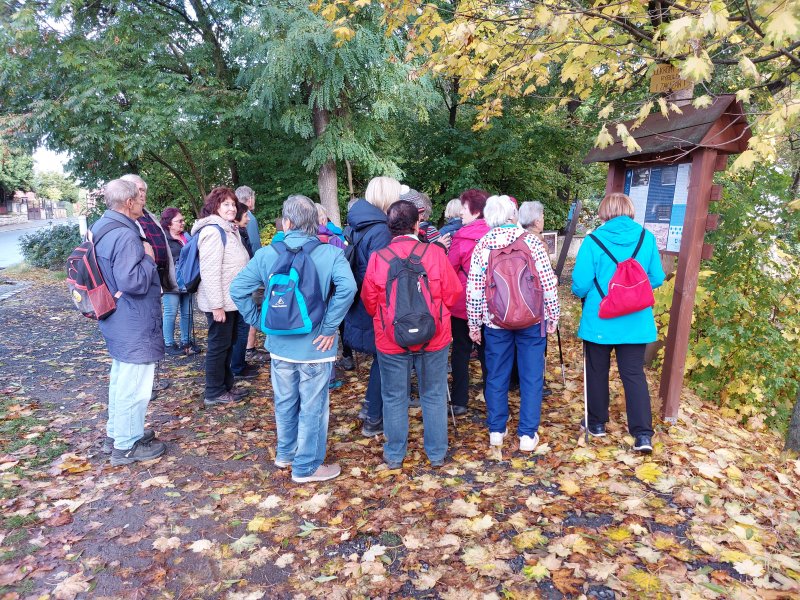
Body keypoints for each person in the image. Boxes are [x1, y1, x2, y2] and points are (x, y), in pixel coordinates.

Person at [230, 195, 356, 483]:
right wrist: (328, 328)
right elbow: (348, 289)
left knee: (285, 401)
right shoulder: (330, 254)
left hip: (280, 346)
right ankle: (307, 467)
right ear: (315, 224)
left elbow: (238, 289)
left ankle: (286, 454)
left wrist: (258, 321)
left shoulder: (266, 254)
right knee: (313, 406)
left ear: (286, 223)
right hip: (316, 347)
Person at [362, 200, 462, 468]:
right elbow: (453, 295)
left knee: (394, 396)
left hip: (391, 339)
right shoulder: (435, 255)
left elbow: (370, 303)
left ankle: (395, 455)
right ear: (417, 224)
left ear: (389, 227)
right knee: (434, 393)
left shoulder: (378, 259)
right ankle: (437, 453)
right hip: (435, 336)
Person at [571, 193, 665, 453]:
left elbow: (580, 284)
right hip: (635, 321)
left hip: (600, 318)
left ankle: (597, 424)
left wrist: (597, 291)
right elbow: (656, 277)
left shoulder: (592, 241)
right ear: (630, 211)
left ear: (604, 212)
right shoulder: (647, 239)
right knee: (634, 375)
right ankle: (643, 435)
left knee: (597, 371)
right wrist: (631, 290)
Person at [466, 196, 560, 452]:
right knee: (531, 377)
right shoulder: (531, 241)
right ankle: (528, 436)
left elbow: (474, 290)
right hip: (532, 320)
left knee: (496, 376)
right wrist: (553, 315)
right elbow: (548, 283)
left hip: (496, 322)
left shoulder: (483, 244)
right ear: (513, 215)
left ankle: (497, 430)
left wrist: (474, 323)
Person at [93, 179, 167, 465]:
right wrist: (148, 259)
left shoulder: (102, 226)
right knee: (134, 384)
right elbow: (132, 281)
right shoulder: (125, 235)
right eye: (139, 197)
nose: (142, 201)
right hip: (132, 317)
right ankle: (126, 445)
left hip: (115, 314)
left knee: (122, 377)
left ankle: (119, 433)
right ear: (128, 202)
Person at [343, 177, 396, 437]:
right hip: (374, 304)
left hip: (360, 302)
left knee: (381, 358)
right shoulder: (381, 231)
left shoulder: (359, 225)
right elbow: (382, 274)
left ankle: (370, 408)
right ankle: (374, 416)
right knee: (385, 359)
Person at [191, 187, 252, 407]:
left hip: (232, 301)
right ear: (215, 206)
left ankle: (226, 385)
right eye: (225, 204)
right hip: (221, 303)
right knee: (219, 346)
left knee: (228, 344)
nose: (231, 208)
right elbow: (209, 271)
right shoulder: (213, 231)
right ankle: (214, 391)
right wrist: (217, 306)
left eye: (233, 204)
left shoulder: (229, 230)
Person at [447, 189, 491, 416]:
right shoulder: (495, 234)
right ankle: (492, 396)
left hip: (463, 304)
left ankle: (459, 400)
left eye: (464, 208)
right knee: (488, 351)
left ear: (475, 211)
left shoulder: (461, 238)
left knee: (461, 351)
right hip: (491, 304)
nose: (461, 212)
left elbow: (449, 269)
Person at [120, 174, 179, 294]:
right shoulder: (122, 220)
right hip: (139, 281)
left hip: (157, 277)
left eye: (143, 190)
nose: (141, 193)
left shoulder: (150, 217)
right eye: (138, 189)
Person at [518, 201, 552, 397]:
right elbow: (543, 278)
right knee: (532, 352)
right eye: (542, 216)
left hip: (513, 303)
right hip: (534, 305)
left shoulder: (516, 237)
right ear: (537, 219)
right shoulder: (537, 242)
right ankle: (530, 385)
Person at [159, 207, 197, 356]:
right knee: (171, 312)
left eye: (183, 220)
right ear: (169, 223)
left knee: (187, 312)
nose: (183, 223)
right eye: (179, 221)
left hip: (187, 280)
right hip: (170, 281)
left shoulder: (187, 237)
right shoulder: (163, 239)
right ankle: (168, 343)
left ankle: (186, 342)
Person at [229, 201, 260, 380]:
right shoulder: (235, 235)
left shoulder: (240, 234)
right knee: (240, 328)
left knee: (242, 327)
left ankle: (239, 363)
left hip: (240, 288)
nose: (249, 218)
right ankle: (237, 366)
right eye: (246, 215)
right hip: (236, 290)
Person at [235, 185, 261, 254]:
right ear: (250, 200)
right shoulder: (249, 218)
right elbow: (254, 244)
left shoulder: (234, 216)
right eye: (254, 198)